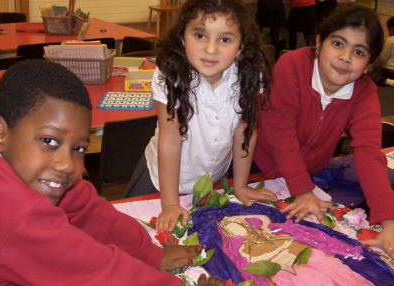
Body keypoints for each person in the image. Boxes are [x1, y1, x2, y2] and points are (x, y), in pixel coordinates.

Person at [0, 60, 225, 286]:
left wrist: (150, 254)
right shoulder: (13, 210)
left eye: (78, 149)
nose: (67, 165)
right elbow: (95, 273)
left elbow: (88, 210)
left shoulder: (27, 171)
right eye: (48, 141)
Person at [253, 6, 394, 259]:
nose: (345, 57)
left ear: (370, 63)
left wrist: (389, 222)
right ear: (318, 42)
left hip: (306, 174)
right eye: (338, 43)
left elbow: (369, 153)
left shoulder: (364, 93)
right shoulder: (292, 65)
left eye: (359, 52)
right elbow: (280, 133)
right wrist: (303, 190)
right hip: (255, 164)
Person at [123, 0, 278, 231]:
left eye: (225, 40)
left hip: (212, 180)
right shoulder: (170, 72)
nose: (211, 49)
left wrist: (241, 186)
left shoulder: (250, 74)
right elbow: (170, 140)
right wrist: (170, 204)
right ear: (182, 37)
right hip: (161, 182)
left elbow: (245, 131)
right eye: (200, 36)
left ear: (241, 45)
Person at [374, 16, 394, 87]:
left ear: (391, 28)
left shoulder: (390, 40)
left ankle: (388, 81)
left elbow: (383, 58)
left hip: (389, 70)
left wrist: (376, 63)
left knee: (373, 77)